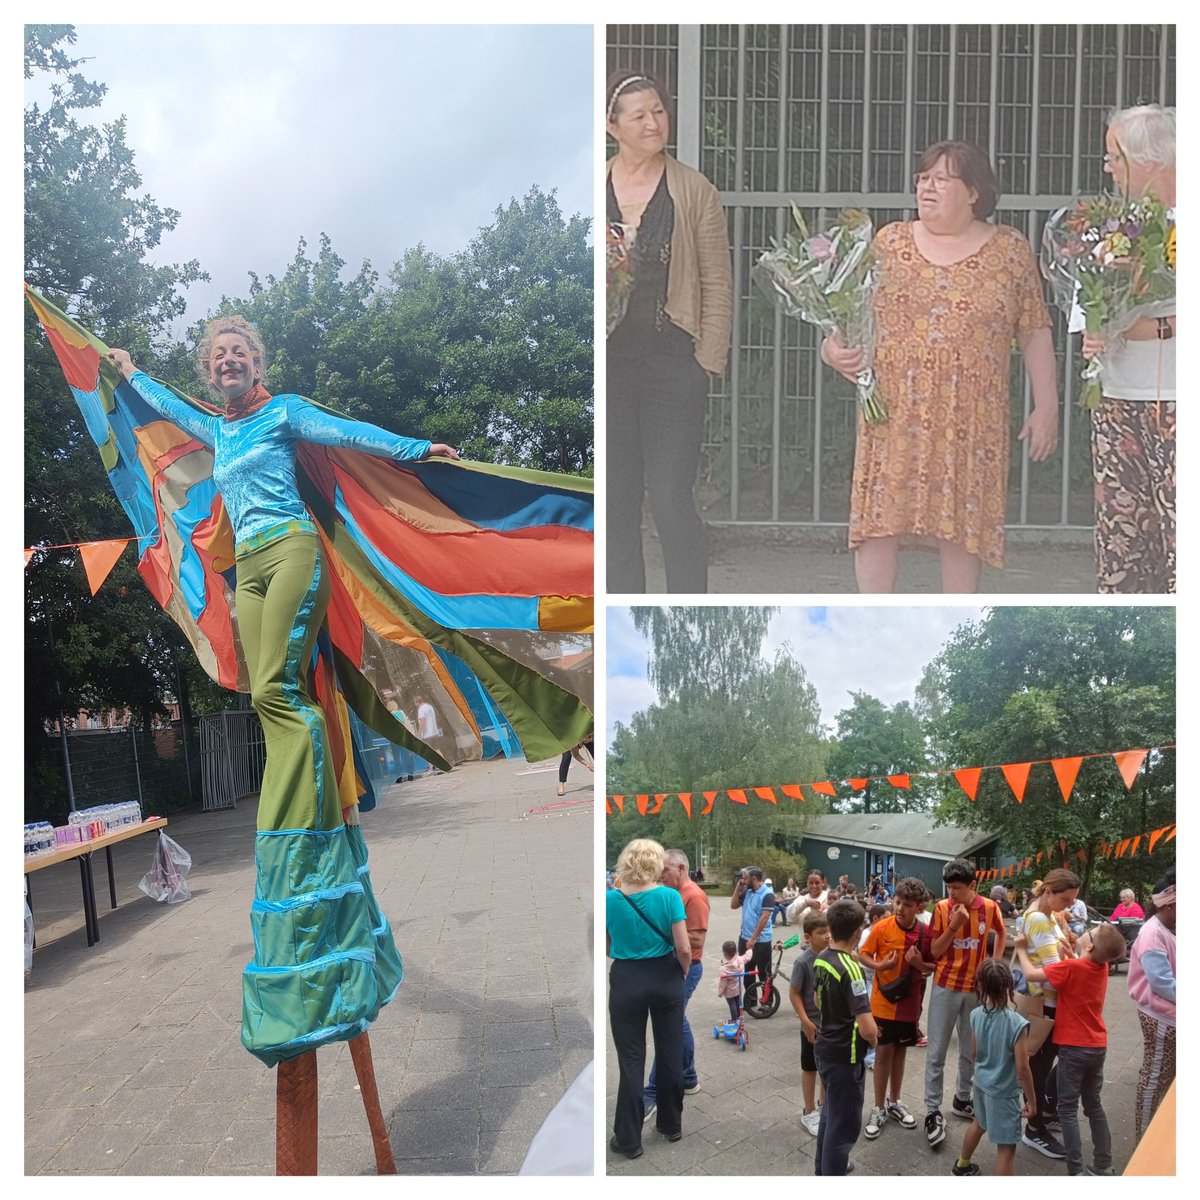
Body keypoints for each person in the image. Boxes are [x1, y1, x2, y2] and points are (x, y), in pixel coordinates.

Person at [105, 324, 457, 1071]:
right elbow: (169, 405)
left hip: (293, 549)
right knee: (262, 694)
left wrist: (414, 448)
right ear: (213, 370)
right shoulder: (216, 426)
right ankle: (300, 791)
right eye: (218, 357)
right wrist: (130, 371)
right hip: (250, 569)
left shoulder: (283, 413)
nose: (229, 363)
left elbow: (347, 431)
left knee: (275, 687)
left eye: (241, 354)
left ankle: (303, 805)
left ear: (259, 365)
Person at [823, 140, 1058, 593]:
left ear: (973, 191)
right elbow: (844, 315)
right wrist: (832, 350)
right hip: (892, 412)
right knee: (879, 522)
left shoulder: (1009, 250)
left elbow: (1034, 329)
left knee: (962, 529)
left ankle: (956, 622)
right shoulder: (888, 241)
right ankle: (873, 620)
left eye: (941, 180)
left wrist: (1046, 406)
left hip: (971, 417)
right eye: (922, 179)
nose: (927, 189)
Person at [605, 70, 733, 593]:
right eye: (640, 115)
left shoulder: (693, 188)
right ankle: (622, 605)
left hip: (674, 362)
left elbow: (717, 281)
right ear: (612, 126)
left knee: (671, 501)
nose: (654, 122)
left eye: (659, 111)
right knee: (615, 503)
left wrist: (707, 361)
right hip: (609, 365)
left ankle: (690, 606)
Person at [1079, 105, 1176, 593]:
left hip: (1179, 404)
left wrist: (1160, 328)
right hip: (1117, 404)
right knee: (1124, 547)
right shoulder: (1111, 225)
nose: (1107, 167)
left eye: (1115, 156)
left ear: (1151, 160)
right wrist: (1094, 331)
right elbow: (1086, 304)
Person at [1014, 922, 1127, 1175]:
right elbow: (1083, 968)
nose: (1084, 932)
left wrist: (1021, 949)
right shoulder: (1102, 966)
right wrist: (1072, 955)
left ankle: (1075, 1171)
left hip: (1074, 1048)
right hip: (1097, 1045)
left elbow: (1032, 975)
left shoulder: (1071, 967)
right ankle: (1103, 1166)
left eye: (1089, 933)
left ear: (1089, 945)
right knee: (1093, 1105)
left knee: (1066, 1109)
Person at [606, 838, 691, 1159]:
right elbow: (683, 947)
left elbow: (605, 946)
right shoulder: (669, 896)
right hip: (665, 975)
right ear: (656, 863)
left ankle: (628, 1139)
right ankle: (671, 1125)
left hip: (627, 978)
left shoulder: (610, 900)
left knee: (631, 1059)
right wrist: (680, 972)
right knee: (669, 1052)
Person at [923, 857, 1007, 1148]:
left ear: (973, 885)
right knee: (936, 1051)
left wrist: (994, 964)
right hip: (945, 987)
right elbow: (934, 951)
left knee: (971, 1050)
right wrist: (953, 926)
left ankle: (962, 1098)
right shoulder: (943, 909)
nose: (951, 894)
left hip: (975, 989)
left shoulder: (989, 907)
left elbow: (1001, 931)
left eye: (957, 888)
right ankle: (932, 1110)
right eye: (948, 888)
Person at [857, 878, 935, 1142]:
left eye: (907, 904)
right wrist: (879, 967)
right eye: (897, 902)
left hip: (909, 1005)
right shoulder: (881, 928)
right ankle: (878, 1108)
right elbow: (863, 954)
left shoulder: (925, 933)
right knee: (882, 1054)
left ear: (919, 906)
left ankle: (895, 1101)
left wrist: (919, 962)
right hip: (882, 1002)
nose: (900, 908)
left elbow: (931, 967)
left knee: (900, 1052)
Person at [949, 960, 1037, 1177]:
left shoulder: (976, 1014)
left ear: (980, 985)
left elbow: (976, 1053)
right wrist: (1031, 1101)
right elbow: (1023, 1069)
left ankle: (961, 1165)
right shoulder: (1016, 1024)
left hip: (980, 1084)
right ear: (1009, 986)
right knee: (1006, 1150)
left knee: (978, 1123)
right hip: (1004, 1094)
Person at [1015, 867, 1080, 1159]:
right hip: (1046, 1006)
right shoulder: (1040, 919)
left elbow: (1058, 958)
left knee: (1045, 1064)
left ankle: (1040, 1114)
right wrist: (1076, 963)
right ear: (1049, 892)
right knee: (1040, 1069)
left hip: (1049, 1004)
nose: (1069, 906)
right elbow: (1057, 975)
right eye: (1066, 900)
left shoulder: (1046, 914)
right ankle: (1034, 1128)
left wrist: (1069, 950)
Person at [812, 899, 879, 1175]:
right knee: (845, 1125)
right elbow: (867, 1026)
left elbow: (817, 1001)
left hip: (825, 1049)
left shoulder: (821, 959)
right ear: (858, 932)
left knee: (830, 1114)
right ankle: (834, 1171)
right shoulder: (851, 969)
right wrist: (874, 1038)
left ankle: (824, 1168)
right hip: (846, 1056)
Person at [644, 849, 710, 1116]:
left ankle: (652, 1091)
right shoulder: (673, 894)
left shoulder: (694, 897)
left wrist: (661, 933)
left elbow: (696, 941)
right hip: (674, 965)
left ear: (681, 868)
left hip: (687, 967)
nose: (661, 875)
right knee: (676, 1022)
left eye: (666, 870)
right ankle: (689, 1077)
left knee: (668, 1026)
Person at [1128, 868, 1176, 1141]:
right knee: (1154, 1079)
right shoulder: (1152, 934)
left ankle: (1159, 1134)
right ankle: (1144, 1141)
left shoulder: (1169, 928)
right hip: (1161, 1018)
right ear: (1170, 903)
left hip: (1170, 1017)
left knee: (1164, 1078)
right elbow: (1162, 983)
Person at [788, 910, 832, 1138]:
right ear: (807, 936)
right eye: (821, 932)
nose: (827, 936)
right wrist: (805, 1021)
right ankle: (809, 1110)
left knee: (826, 1067)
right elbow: (794, 993)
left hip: (831, 1026)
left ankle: (824, 1104)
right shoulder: (803, 962)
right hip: (811, 1026)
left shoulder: (833, 955)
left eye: (829, 931)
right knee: (810, 1068)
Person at [731, 866, 776, 1000]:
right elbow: (733, 905)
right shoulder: (747, 892)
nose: (743, 881)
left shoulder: (767, 894)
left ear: (754, 878)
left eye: (745, 878)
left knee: (764, 973)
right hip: (744, 938)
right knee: (747, 972)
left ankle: (767, 1001)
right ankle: (751, 1000)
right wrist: (738, 888)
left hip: (761, 941)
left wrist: (753, 938)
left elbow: (764, 918)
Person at [718, 939, 755, 1022]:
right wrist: (749, 949)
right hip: (738, 988)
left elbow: (723, 982)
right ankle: (739, 1016)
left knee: (732, 1004)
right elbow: (747, 957)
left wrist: (720, 992)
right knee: (738, 1002)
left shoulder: (724, 969)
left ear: (724, 953)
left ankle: (734, 1019)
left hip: (729, 991)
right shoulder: (740, 960)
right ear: (736, 951)